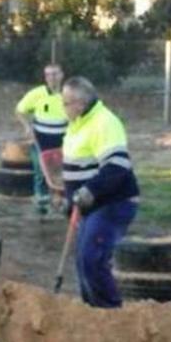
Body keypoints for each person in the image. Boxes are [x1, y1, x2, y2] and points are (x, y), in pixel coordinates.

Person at [61, 76, 140, 309]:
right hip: (90, 206)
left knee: (92, 260)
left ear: (80, 103)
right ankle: (92, 314)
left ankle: (110, 315)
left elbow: (117, 166)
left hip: (113, 203)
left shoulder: (104, 122)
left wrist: (88, 191)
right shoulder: (77, 124)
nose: (62, 108)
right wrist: (70, 201)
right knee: (83, 263)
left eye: (65, 103)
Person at [15, 64, 67, 215]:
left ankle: (63, 203)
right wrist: (27, 127)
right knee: (40, 171)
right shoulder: (37, 94)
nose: (52, 78)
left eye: (55, 74)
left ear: (62, 75)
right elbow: (19, 111)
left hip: (63, 142)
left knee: (61, 173)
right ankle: (42, 205)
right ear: (45, 77)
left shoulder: (68, 94)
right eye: (48, 75)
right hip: (40, 141)